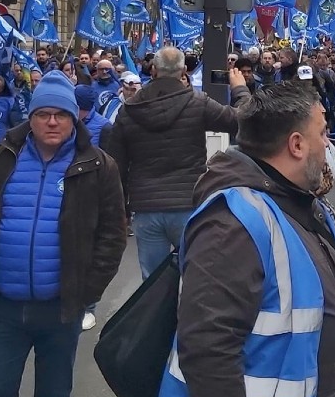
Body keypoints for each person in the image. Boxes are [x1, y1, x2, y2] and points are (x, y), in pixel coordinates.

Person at [160, 81, 335, 397]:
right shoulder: (232, 224)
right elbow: (207, 352)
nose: (327, 143)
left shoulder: (300, 203)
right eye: (323, 132)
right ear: (296, 144)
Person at [0, 69, 127, 397]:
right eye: (43, 115)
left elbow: (112, 235)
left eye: (61, 115)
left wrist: (87, 291)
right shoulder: (2, 156)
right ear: (31, 118)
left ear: (73, 119)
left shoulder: (98, 166)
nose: (52, 122)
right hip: (2, 306)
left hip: (61, 308)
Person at [102, 47, 250, 278]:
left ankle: (157, 315)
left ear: (153, 70)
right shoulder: (197, 102)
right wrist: (240, 89)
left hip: (146, 206)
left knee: (151, 284)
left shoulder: (129, 110)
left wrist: (118, 209)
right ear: (183, 70)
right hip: (188, 201)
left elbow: (115, 164)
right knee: (194, 277)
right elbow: (242, 121)